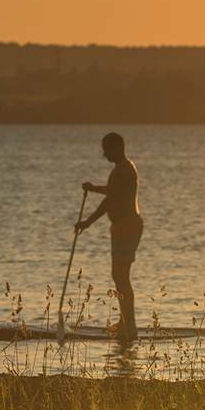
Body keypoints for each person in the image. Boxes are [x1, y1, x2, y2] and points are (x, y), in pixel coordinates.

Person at [77, 132, 144, 340]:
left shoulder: (122, 170)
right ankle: (125, 321)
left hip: (126, 227)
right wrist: (93, 188)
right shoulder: (123, 168)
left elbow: (109, 202)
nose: (104, 154)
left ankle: (129, 326)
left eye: (106, 149)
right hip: (124, 227)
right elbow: (113, 192)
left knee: (121, 276)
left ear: (116, 148)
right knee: (119, 275)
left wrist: (87, 223)